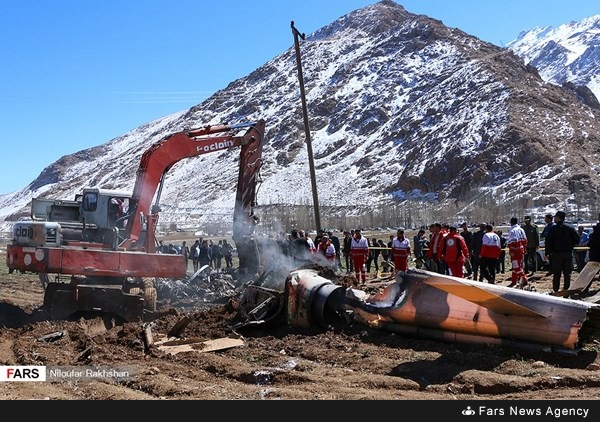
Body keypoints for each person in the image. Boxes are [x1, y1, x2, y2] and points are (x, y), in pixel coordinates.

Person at [544, 211, 580, 293]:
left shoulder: (553, 228)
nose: (554, 218)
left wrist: (547, 253)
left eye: (555, 217)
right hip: (568, 253)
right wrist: (571, 245)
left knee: (557, 273)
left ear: (558, 217)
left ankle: (556, 290)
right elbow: (577, 239)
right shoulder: (570, 228)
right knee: (567, 273)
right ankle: (566, 290)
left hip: (557, 254)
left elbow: (548, 242)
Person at [507, 217, 528, 288]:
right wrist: (524, 248)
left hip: (516, 251)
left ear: (511, 222)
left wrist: (512, 250)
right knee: (518, 265)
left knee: (516, 266)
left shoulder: (512, 230)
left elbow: (513, 241)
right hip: (521, 250)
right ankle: (514, 280)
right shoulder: (521, 229)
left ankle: (524, 279)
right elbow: (525, 240)